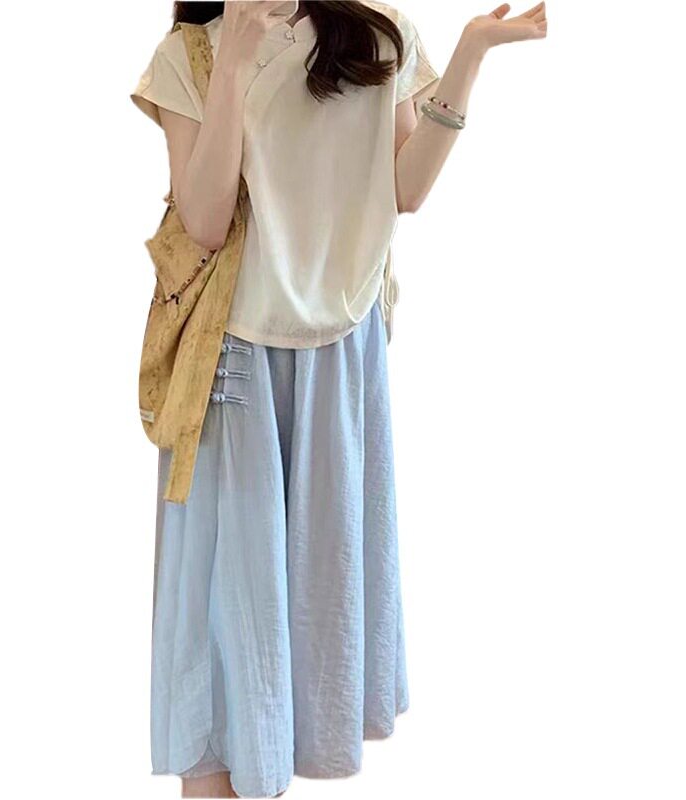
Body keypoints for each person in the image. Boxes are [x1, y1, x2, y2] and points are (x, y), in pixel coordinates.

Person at [130, 1, 547, 796]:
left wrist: (471, 52)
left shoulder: (377, 33)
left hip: (343, 360)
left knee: (314, 612)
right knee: (227, 630)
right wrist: (236, 66)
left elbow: (404, 190)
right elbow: (205, 221)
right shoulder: (190, 54)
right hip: (233, 365)